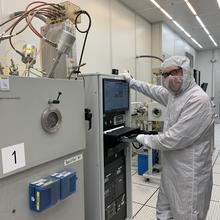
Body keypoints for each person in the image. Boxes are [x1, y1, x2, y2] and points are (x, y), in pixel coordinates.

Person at [120, 56, 214, 220]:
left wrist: (142, 138)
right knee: (163, 212)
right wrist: (131, 82)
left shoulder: (198, 99)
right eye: (165, 74)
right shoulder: (174, 95)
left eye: (175, 72)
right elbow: (152, 90)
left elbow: (173, 139)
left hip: (189, 175)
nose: (170, 78)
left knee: (186, 215)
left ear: (186, 72)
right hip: (170, 170)